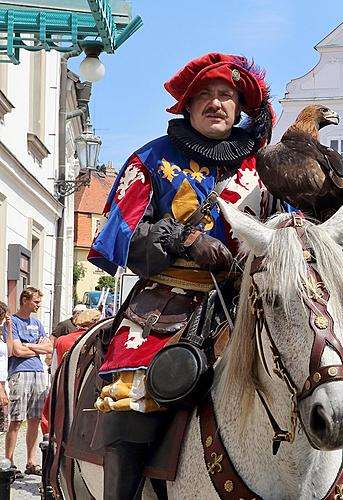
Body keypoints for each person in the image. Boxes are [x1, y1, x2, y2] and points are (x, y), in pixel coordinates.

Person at [87, 52, 274, 499]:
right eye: (204, 95)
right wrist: (185, 240)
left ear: (240, 107)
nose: (215, 103)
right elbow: (122, 235)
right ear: (187, 106)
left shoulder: (263, 169)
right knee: (133, 394)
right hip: (165, 304)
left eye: (225, 95)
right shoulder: (149, 160)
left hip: (242, 302)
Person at [2, 287, 52, 477]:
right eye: (36, 301)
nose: (38, 305)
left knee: (35, 419)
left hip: (39, 372)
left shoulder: (38, 323)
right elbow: (16, 351)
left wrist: (28, 345)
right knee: (16, 420)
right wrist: (36, 347)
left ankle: (31, 462)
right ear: (25, 300)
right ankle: (9, 462)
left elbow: (49, 348)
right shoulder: (12, 322)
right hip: (19, 373)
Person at [0, 302, 12, 436]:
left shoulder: (1, 335)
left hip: (3, 382)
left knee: (2, 424)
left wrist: (9, 329)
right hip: (0, 385)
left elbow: (9, 351)